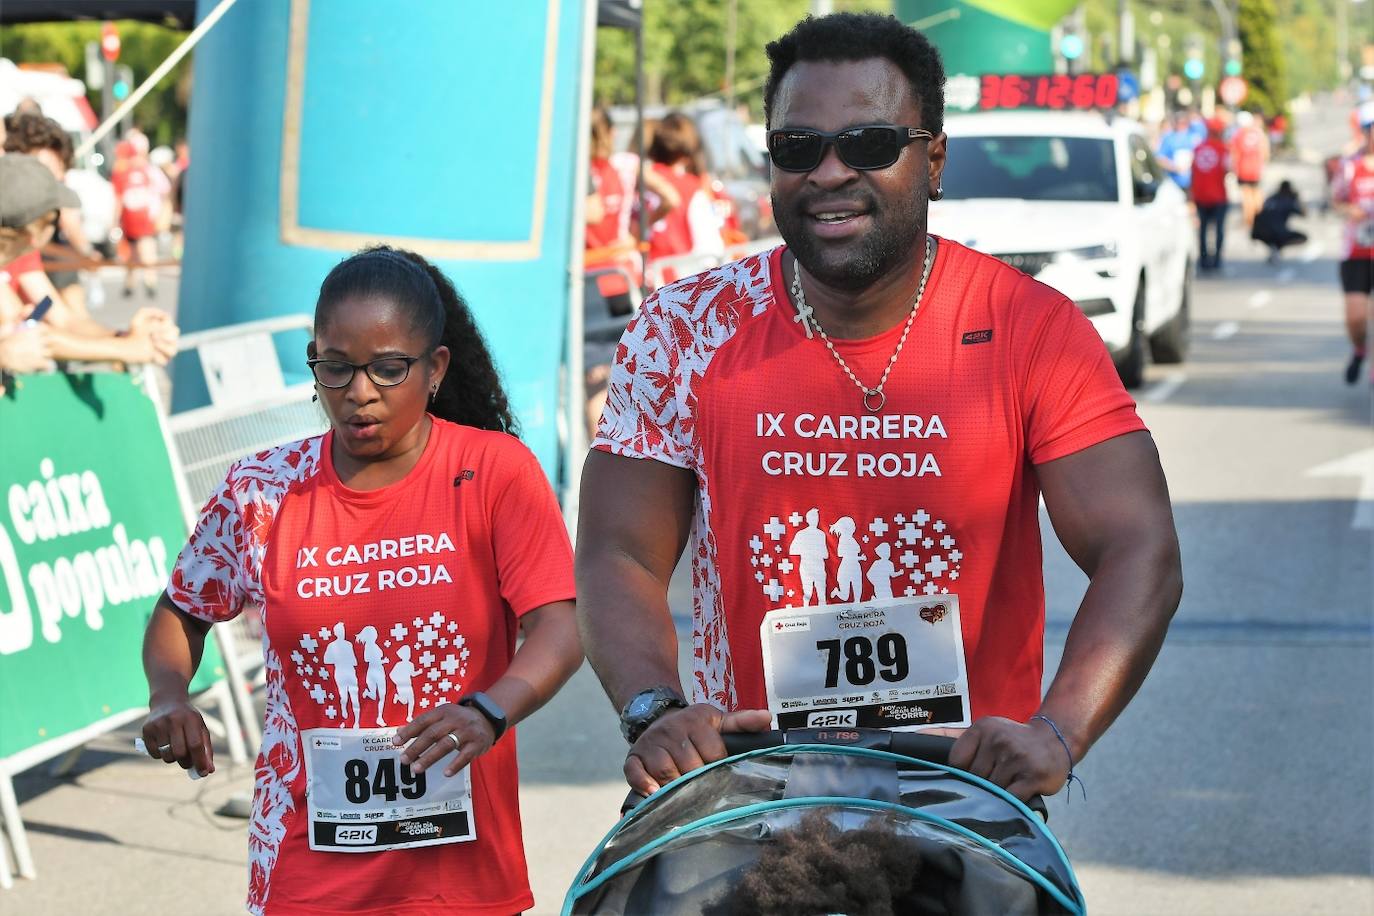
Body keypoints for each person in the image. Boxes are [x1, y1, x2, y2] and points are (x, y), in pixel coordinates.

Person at [577, 12, 1181, 805]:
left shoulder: (1031, 328)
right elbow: (619, 552)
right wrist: (656, 709)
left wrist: (1058, 734)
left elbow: (1138, 546)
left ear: (933, 159)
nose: (829, 173)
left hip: (962, 803)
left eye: (868, 144)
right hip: (752, 792)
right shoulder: (686, 329)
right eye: (799, 148)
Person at [140, 246, 583, 914]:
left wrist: (490, 712)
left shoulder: (494, 472)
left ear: (434, 369)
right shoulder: (261, 490)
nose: (359, 392)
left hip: (458, 876)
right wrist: (168, 695)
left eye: (388, 369)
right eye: (336, 368)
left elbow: (559, 623)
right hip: (302, 868)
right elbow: (182, 611)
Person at [0, 153, 175, 367]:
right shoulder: (20, 249)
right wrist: (130, 348)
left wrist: (123, 337)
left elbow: (63, 320)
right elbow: (32, 340)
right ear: (34, 231)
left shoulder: (24, 254)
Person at [1333, 101, 1374, 385]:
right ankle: (1360, 348)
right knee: (1356, 317)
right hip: (1356, 251)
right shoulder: (1350, 166)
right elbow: (1337, 201)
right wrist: (1352, 211)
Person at [112, 131, 171, 298]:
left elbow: (165, 193)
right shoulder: (123, 172)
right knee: (131, 254)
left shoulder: (150, 171)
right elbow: (119, 199)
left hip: (146, 219)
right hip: (129, 220)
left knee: (147, 251)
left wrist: (161, 215)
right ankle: (130, 282)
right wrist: (115, 221)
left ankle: (150, 281)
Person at [1191, 117, 1231, 272]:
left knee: (1203, 230)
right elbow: (1227, 169)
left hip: (1201, 195)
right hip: (1218, 196)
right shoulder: (1223, 149)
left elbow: (1193, 172)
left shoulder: (1198, 148)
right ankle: (1217, 259)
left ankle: (1203, 259)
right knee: (1218, 229)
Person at [1251, 180, 1307, 264]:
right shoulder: (1288, 200)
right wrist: (1297, 199)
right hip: (1276, 232)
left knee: (1275, 232)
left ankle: (1274, 248)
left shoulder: (1271, 198)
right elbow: (1304, 214)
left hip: (1258, 231)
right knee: (1302, 237)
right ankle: (1277, 247)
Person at [1230, 110, 1269, 229]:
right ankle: (1260, 217)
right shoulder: (1259, 133)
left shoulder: (1238, 135)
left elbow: (1234, 153)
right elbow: (1265, 151)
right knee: (1257, 193)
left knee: (1246, 194)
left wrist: (1233, 168)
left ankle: (1249, 219)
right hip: (1256, 168)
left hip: (1243, 168)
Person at [1155, 110, 1198, 192]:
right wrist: (1175, 167)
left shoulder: (1194, 138)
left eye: (1184, 123)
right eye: (1180, 122)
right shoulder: (1168, 138)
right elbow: (1160, 158)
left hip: (1191, 183)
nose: (1182, 125)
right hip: (1173, 184)